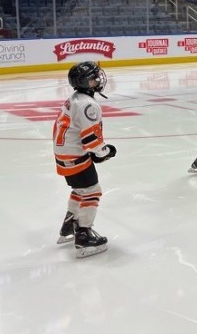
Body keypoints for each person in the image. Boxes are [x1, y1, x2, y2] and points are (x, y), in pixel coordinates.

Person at [53, 61, 117, 259]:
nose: (98, 79)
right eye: (94, 77)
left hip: (64, 156)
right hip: (75, 156)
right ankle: (83, 235)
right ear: (87, 82)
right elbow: (91, 141)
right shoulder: (88, 105)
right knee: (92, 193)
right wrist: (104, 152)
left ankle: (68, 226)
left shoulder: (74, 99)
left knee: (79, 190)